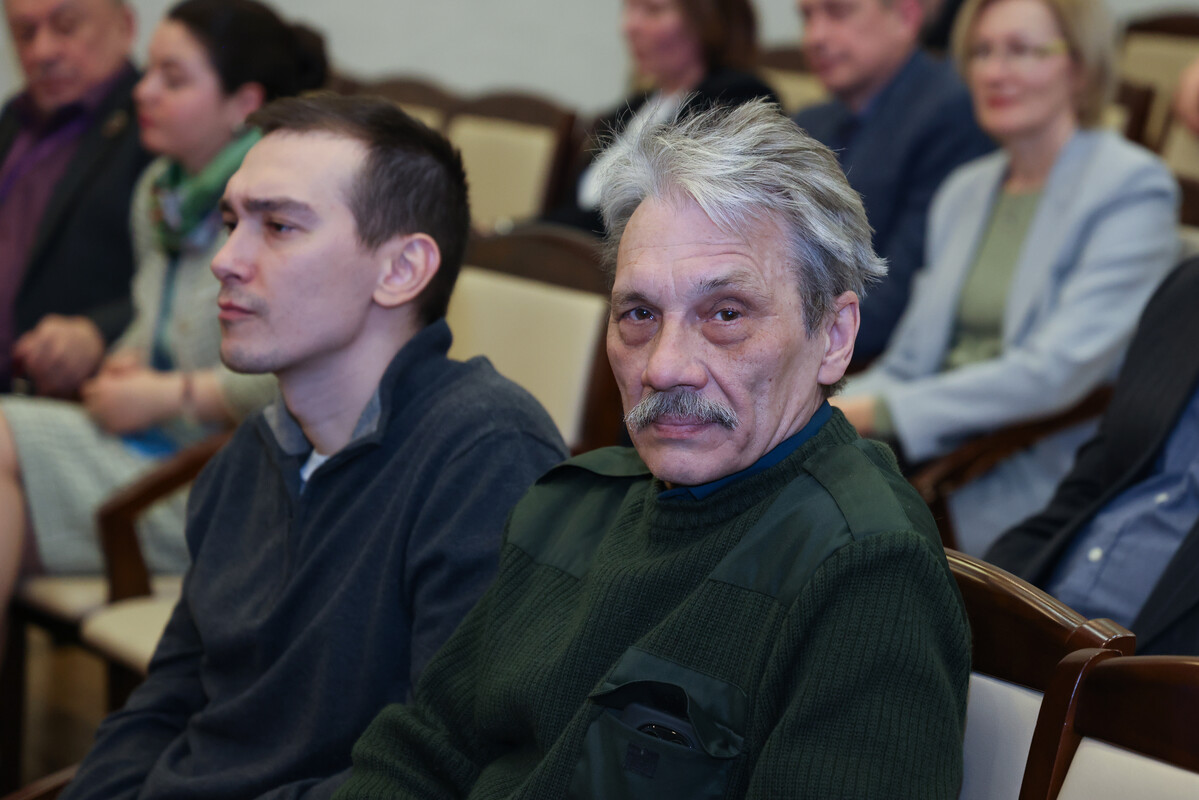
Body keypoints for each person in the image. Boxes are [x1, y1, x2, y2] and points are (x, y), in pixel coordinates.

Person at [335, 100, 971, 800]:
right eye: (638, 314)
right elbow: (421, 753)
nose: (664, 367)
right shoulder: (568, 506)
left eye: (725, 314)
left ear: (834, 336)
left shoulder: (865, 571)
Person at [58, 94, 567, 799]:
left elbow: (447, 770)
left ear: (401, 270)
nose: (226, 260)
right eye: (231, 223)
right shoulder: (250, 453)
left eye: (279, 226)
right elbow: (166, 701)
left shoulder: (486, 457)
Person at [0, 0, 325, 660]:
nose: (143, 91)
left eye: (172, 79)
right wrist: (123, 361)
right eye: (148, 73)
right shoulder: (162, 191)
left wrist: (169, 394)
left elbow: (304, 385)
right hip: (143, 450)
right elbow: (153, 317)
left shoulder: (283, 213)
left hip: (222, 480)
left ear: (243, 104)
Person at [834, 0, 1179, 555]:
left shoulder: (1131, 187)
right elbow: (909, 360)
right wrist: (817, 405)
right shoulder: (965, 189)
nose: (994, 72)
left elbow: (1054, 372)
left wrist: (879, 412)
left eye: (1021, 50)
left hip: (1030, 463)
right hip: (925, 448)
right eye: (982, 52)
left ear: (1079, 66)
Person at [986, 256, 1199, 657]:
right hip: (1051, 618)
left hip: (1159, 668)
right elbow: (1089, 484)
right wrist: (990, 590)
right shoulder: (1187, 291)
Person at [794, 0, 994, 362]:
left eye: (839, 12)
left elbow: (898, 296)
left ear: (905, 17)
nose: (815, 37)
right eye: (807, 17)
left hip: (867, 360)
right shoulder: (810, 123)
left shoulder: (951, 111)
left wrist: (780, 351)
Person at [1, 0, 151, 395]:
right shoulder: (13, 122)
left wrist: (98, 331)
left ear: (125, 27)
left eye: (66, 27)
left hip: (82, 395)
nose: (42, 52)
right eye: (25, 34)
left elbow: (190, 283)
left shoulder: (157, 128)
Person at [545, 0, 777, 235]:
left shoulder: (735, 99)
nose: (629, 26)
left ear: (708, 22)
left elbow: (661, 213)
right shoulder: (633, 107)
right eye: (629, 8)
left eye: (653, 10)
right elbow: (578, 203)